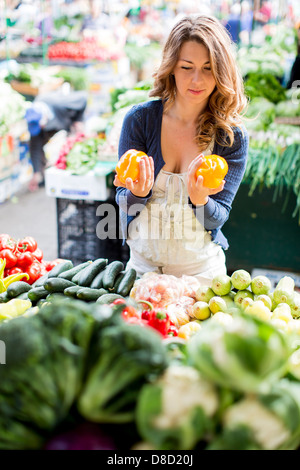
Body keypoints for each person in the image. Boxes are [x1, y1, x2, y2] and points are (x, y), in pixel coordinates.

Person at [113, 14, 249, 284]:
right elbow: (123, 203)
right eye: (187, 67)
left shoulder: (231, 137)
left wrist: (201, 201)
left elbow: (217, 219)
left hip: (202, 276)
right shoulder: (140, 121)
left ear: (222, 71)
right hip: (142, 271)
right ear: (172, 67)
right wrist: (137, 194)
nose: (197, 80)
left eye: (208, 68)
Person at [25, 90, 87, 191]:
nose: (39, 128)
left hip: (67, 122)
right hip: (53, 124)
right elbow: (35, 146)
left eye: (40, 126)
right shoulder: (33, 117)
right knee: (35, 144)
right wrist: (36, 172)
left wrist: (78, 120)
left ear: (44, 117)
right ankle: (43, 176)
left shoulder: (61, 103)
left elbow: (83, 98)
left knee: (75, 147)